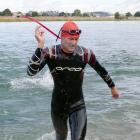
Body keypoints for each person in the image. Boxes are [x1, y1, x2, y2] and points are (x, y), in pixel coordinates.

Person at [27, 21, 119, 140]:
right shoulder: (50, 53)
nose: (73, 43)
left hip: (78, 104)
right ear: (62, 37)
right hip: (58, 106)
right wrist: (40, 44)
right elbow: (31, 72)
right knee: (61, 137)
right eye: (70, 39)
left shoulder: (85, 54)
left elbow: (101, 70)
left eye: (76, 39)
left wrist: (112, 87)